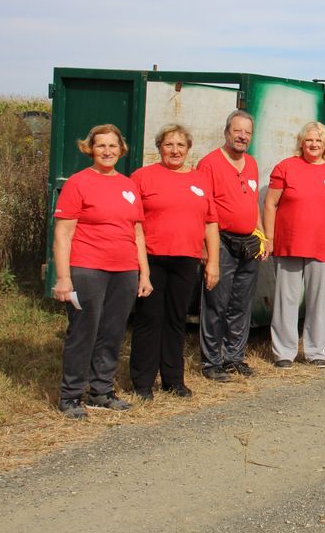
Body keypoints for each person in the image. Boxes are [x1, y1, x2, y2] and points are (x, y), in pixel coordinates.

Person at [52, 124, 152, 419]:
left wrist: (143, 273)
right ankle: (71, 396)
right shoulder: (78, 183)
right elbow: (62, 235)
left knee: (112, 332)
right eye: (101, 146)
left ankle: (101, 392)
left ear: (121, 149)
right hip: (87, 269)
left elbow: (137, 233)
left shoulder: (128, 185)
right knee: (84, 332)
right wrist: (63, 277)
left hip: (124, 271)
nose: (107, 151)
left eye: (112, 146)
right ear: (90, 149)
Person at [128, 124, 220, 400]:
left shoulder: (201, 181)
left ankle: (173, 380)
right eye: (169, 145)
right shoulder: (142, 177)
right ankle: (143, 383)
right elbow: (133, 223)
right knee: (149, 319)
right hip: (152, 259)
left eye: (180, 145)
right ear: (159, 148)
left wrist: (212, 262)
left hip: (186, 259)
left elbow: (211, 224)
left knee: (176, 320)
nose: (175, 150)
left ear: (189, 148)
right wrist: (141, 265)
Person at [264, 121, 325, 369]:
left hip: (323, 246)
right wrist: (268, 237)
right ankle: (284, 352)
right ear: (302, 142)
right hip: (289, 242)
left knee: (319, 301)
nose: (313, 144)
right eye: (309, 140)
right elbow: (270, 204)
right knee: (285, 300)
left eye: (318, 141)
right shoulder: (286, 167)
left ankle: (316, 351)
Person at [197, 111, 266, 382]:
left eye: (247, 132)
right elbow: (204, 209)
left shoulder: (251, 163)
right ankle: (211, 361)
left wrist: (262, 235)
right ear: (227, 132)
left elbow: (252, 204)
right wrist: (207, 249)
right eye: (237, 131)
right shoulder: (209, 164)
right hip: (221, 241)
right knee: (216, 302)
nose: (242, 136)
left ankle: (234, 358)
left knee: (241, 303)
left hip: (248, 242)